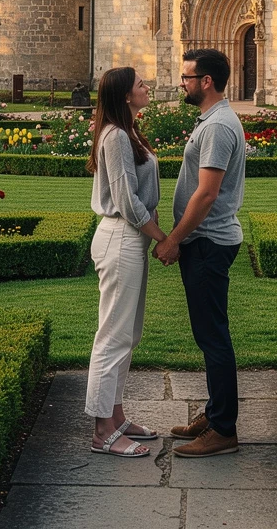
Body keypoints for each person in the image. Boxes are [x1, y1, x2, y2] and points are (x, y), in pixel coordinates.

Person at [154, 47, 246, 457]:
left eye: (187, 77)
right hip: (205, 241)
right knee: (208, 333)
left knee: (213, 337)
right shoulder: (213, 120)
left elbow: (206, 194)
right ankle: (215, 413)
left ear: (206, 82)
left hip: (207, 241)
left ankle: (224, 429)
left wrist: (174, 239)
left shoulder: (218, 127)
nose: (182, 83)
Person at [84, 66, 167, 457]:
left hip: (129, 238)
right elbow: (126, 200)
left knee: (127, 335)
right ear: (124, 95)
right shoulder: (115, 136)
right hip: (120, 236)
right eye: (140, 85)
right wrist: (163, 238)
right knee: (113, 336)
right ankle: (102, 431)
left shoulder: (127, 131)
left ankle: (115, 416)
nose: (146, 87)